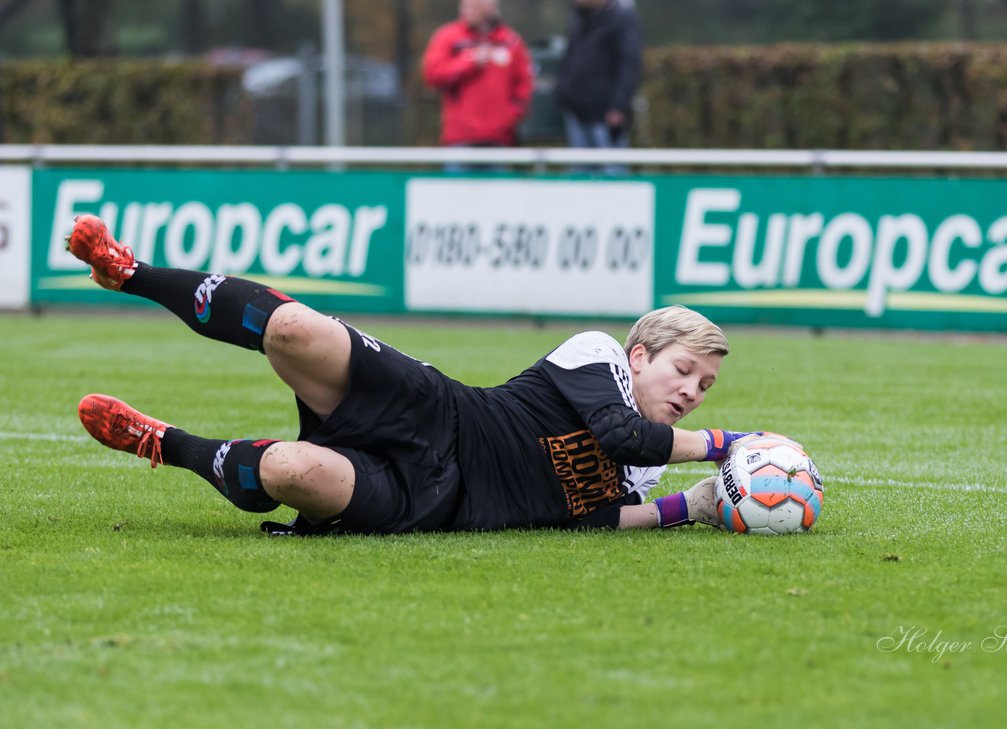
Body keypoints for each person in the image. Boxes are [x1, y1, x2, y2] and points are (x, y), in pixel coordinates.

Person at [66, 215, 755, 535]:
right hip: (436, 410)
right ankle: (132, 274)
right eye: (685, 371)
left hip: (429, 505)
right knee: (295, 331)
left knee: (291, 473)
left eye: (706, 388)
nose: (692, 393)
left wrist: (688, 508)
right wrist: (736, 443)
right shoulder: (597, 354)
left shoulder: (652, 468)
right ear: (640, 356)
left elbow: (592, 520)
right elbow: (617, 432)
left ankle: (166, 444)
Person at [422, 0, 533, 149]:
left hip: (500, 137)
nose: (468, 10)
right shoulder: (449, 37)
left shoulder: (510, 40)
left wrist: (511, 115)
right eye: (465, 6)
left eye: (475, 6)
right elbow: (433, 74)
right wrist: (469, 62)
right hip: (460, 136)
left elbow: (524, 83)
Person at [554, 0, 642, 158]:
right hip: (576, 110)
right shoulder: (579, 17)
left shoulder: (622, 18)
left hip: (604, 113)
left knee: (611, 171)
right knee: (580, 174)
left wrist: (619, 107)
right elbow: (571, 57)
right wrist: (564, 92)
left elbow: (629, 66)